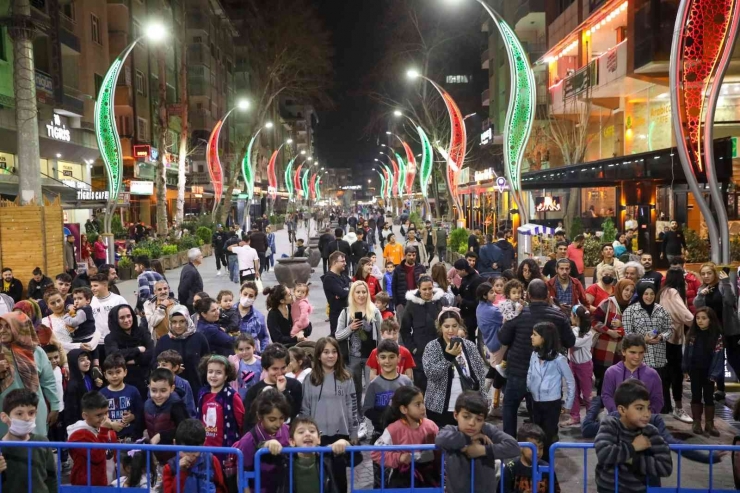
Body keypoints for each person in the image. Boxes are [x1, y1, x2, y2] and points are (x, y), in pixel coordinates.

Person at [498, 279, 575, 437]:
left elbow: (503, 338)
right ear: (547, 295)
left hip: (518, 372)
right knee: (542, 416)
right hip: (547, 377)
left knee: (510, 407)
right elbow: (570, 342)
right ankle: (541, 447)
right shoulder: (558, 316)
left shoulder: (519, 314)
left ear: (527, 295)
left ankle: (510, 442)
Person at [300, 337, 359, 493]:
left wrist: (354, 432)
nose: (330, 356)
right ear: (318, 355)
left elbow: (352, 406)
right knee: (320, 478)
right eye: (326, 352)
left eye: (334, 352)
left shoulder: (346, 377)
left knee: (339, 479)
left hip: (340, 437)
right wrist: (306, 433)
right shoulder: (309, 379)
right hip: (317, 437)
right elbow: (305, 408)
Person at [594, 380, 673, 493]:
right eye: (640, 408)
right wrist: (633, 447)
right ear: (622, 410)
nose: (647, 414)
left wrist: (632, 460)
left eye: (648, 408)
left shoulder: (651, 432)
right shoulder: (611, 425)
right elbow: (603, 453)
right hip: (608, 489)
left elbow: (665, 467)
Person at [436, 391, 520, 493]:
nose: (472, 423)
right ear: (456, 415)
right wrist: (469, 439)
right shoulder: (451, 430)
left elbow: (514, 446)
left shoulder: (488, 430)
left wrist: (484, 450)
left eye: (479, 419)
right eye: (466, 417)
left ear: (484, 420)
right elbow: (440, 439)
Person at [422, 309, 487, 426]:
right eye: (446, 326)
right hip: (439, 409)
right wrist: (448, 357)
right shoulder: (432, 347)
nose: (451, 330)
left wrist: (484, 400)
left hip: (468, 407)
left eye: (454, 326)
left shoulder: (470, 346)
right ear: (440, 327)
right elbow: (431, 374)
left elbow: (480, 374)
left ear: (459, 326)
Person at [0, 312, 59, 437]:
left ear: (20, 327)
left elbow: (48, 381)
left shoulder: (36, 352)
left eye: (7, 326)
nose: (2, 331)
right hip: (4, 411)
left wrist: (55, 405)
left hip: (33, 409)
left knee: (36, 449)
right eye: (0, 326)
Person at [371, 386, 439, 489]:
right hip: (403, 480)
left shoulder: (431, 426)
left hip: (429, 477)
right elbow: (376, 452)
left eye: (423, 403)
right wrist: (399, 458)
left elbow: (440, 448)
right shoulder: (393, 429)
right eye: (417, 404)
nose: (423, 407)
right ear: (404, 409)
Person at [527, 322, 575, 459]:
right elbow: (530, 373)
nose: (531, 337)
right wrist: (530, 386)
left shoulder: (559, 359)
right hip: (535, 401)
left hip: (551, 404)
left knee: (547, 438)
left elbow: (570, 382)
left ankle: (547, 468)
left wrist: (568, 404)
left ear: (545, 338)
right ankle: (537, 464)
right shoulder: (534, 355)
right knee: (536, 437)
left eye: (535, 334)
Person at [336, 280, 382, 419]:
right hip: (352, 357)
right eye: (358, 292)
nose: (361, 295)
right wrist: (350, 328)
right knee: (354, 389)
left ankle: (369, 416)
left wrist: (380, 355)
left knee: (370, 387)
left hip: (371, 357)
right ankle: (356, 417)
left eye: (364, 292)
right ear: (353, 294)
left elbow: (380, 335)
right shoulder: (346, 312)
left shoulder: (374, 312)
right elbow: (337, 335)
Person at [694, 262, 740, 401]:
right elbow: (697, 307)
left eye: (709, 273)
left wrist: (726, 281)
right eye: (703, 274)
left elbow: (731, 300)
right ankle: (720, 389)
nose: (706, 276)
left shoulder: (722, 285)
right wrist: (701, 295)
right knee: (716, 359)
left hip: (729, 329)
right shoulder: (702, 288)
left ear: (714, 273)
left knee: (734, 358)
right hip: (712, 331)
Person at [623, 282, 672, 408]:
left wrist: (661, 337)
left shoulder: (661, 310)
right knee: (640, 393)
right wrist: (642, 339)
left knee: (657, 393)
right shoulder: (630, 311)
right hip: (640, 359)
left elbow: (669, 329)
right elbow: (628, 335)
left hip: (659, 357)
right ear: (640, 294)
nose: (649, 297)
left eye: (652, 294)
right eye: (646, 294)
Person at [233, 388, 292, 493]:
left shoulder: (288, 431)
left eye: (282, 418)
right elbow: (241, 478)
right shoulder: (248, 441)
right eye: (272, 419)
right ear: (259, 416)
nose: (278, 424)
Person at [196, 354, 243, 480]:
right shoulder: (202, 393)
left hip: (225, 451)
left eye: (218, 372)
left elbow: (241, 422)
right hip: (205, 449)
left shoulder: (232, 396)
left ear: (226, 375)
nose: (213, 376)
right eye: (210, 372)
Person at [656, 267, 694, 421]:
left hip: (663, 337)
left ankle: (666, 406)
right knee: (676, 374)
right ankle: (678, 408)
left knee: (665, 373)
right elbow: (684, 314)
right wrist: (696, 324)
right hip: (672, 337)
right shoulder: (672, 292)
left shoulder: (663, 292)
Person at [0, 389, 56, 492]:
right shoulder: (1, 447)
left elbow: (52, 479)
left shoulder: (42, 442)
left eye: (31, 413)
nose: (26, 418)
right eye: (19, 414)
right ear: (4, 417)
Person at [153, 306, 210, 399]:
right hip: (169, 392)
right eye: (174, 322)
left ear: (187, 320)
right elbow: (154, 364)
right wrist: (169, 369)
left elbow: (207, 363)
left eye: (182, 321)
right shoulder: (164, 341)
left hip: (196, 389)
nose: (178, 326)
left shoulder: (199, 338)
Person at [683, 307, 724, 436]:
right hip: (695, 370)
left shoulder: (717, 337)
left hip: (709, 372)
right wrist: (685, 368)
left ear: (711, 320)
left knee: (709, 397)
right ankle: (696, 422)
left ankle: (709, 424)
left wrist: (714, 375)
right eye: (698, 318)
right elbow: (686, 354)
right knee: (696, 395)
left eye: (704, 318)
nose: (700, 321)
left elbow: (719, 357)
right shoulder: (692, 334)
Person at [362, 339, 413, 444]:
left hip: (404, 434)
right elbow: (367, 410)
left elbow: (414, 405)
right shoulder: (374, 385)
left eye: (391, 357)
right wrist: (384, 419)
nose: (387, 361)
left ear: (398, 358)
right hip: (380, 434)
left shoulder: (406, 382)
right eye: (383, 357)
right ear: (377, 359)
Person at [242, 343, 303, 430]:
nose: (280, 372)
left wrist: (283, 391)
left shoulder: (295, 385)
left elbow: (293, 413)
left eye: (283, 368)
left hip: (287, 437)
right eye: (275, 369)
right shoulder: (254, 391)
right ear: (266, 368)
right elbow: (249, 422)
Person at [399, 277, 445, 390]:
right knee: (421, 387)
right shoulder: (412, 304)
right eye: (424, 289)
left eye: (430, 288)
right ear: (419, 288)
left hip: (440, 350)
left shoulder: (440, 301)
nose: (428, 292)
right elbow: (404, 329)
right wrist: (413, 348)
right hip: (420, 353)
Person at [601, 334, 664, 415]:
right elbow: (606, 396)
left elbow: (658, 400)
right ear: (623, 351)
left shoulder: (652, 374)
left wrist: (645, 415)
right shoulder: (612, 372)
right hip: (617, 418)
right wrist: (619, 414)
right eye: (633, 352)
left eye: (641, 352)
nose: (637, 356)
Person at [162, 419, 228, 493]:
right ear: (175, 444)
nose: (190, 456)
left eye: (195, 451)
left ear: (204, 442)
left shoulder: (212, 461)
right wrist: (181, 472)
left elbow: (220, 487)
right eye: (185, 451)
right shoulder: (169, 468)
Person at [591, 279, 634, 393]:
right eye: (626, 290)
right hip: (605, 349)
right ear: (620, 289)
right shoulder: (608, 303)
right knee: (603, 381)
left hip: (623, 351)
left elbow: (636, 328)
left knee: (621, 381)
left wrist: (623, 326)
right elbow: (594, 321)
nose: (628, 293)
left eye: (631, 291)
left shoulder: (634, 307)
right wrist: (608, 331)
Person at [67, 391, 117, 487]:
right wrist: (103, 431)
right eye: (98, 415)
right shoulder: (79, 435)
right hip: (85, 486)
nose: (104, 418)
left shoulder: (106, 431)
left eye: (106, 413)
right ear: (85, 415)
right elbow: (96, 456)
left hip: (106, 483)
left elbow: (112, 456)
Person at [104, 304, 153, 399]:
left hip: (144, 381)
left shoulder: (142, 332)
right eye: (122, 318)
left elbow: (151, 353)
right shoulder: (110, 338)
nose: (126, 320)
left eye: (128, 316)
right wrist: (137, 349)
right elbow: (114, 356)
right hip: (123, 385)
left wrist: (135, 361)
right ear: (115, 320)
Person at [144, 368, 190, 464]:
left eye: (163, 391)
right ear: (149, 387)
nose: (158, 395)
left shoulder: (177, 405)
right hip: (154, 457)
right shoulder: (146, 404)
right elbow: (139, 427)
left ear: (172, 388)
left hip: (175, 458)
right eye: (154, 390)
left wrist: (161, 436)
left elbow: (184, 428)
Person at [503, 423, 561, 493]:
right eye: (532, 447)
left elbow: (556, 490)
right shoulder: (510, 469)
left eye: (541, 448)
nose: (537, 452)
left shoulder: (547, 468)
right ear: (521, 446)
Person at [99, 353, 144, 441]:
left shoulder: (133, 391)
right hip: (108, 438)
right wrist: (111, 424)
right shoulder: (101, 394)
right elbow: (99, 416)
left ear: (125, 372)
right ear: (105, 375)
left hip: (130, 437)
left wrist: (133, 416)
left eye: (118, 372)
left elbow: (141, 413)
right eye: (110, 373)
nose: (114, 376)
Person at [564, 305, 593, 427]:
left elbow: (573, 342)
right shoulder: (574, 330)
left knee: (587, 394)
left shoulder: (588, 333)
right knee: (573, 391)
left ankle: (591, 417)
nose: (570, 317)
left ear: (576, 317)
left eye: (571, 315)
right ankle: (574, 416)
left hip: (584, 366)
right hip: (573, 364)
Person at [64, 349, 103, 425]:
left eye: (88, 358)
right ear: (74, 363)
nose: (87, 362)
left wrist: (98, 386)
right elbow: (71, 412)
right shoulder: (73, 385)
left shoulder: (89, 377)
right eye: (82, 360)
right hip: (81, 424)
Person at [63, 287, 99, 364]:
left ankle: (94, 366)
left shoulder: (83, 310)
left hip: (84, 338)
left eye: (79, 298)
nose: (76, 301)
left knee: (82, 355)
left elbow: (73, 322)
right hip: (87, 335)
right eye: (75, 299)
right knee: (93, 352)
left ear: (88, 300)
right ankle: (96, 365)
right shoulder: (84, 309)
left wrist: (66, 316)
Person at [452, 258, 485, 343]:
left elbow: (477, 302)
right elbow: (461, 293)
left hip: (472, 314)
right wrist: (454, 288)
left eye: (457, 271)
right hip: (463, 312)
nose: (457, 273)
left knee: (470, 337)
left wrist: (463, 301)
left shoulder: (476, 280)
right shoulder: (464, 278)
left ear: (463, 270)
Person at [156, 350, 196, 418]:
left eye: (164, 365)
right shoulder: (155, 383)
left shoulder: (184, 384)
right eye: (159, 365)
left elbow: (190, 409)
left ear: (175, 367)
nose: (160, 368)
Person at [235, 282, 270, 353]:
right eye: (245, 294)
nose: (247, 298)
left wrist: (263, 354)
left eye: (251, 296)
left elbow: (264, 337)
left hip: (252, 356)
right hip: (232, 356)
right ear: (240, 293)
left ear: (255, 298)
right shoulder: (228, 313)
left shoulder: (258, 317)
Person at [89, 273, 127, 339]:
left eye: (95, 286)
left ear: (105, 285)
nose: (92, 289)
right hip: (97, 342)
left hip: (115, 340)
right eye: (91, 286)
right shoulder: (91, 301)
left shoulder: (119, 300)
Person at [323, 251, 351, 337]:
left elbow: (352, 288)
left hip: (348, 312)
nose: (345, 263)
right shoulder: (329, 278)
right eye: (342, 261)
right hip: (337, 315)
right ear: (335, 263)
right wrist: (347, 290)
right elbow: (342, 293)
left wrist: (347, 290)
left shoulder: (343, 275)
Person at [178, 248, 204, 314]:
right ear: (196, 258)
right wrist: (188, 302)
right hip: (190, 305)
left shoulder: (189, 268)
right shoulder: (190, 271)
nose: (202, 257)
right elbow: (182, 289)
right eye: (200, 255)